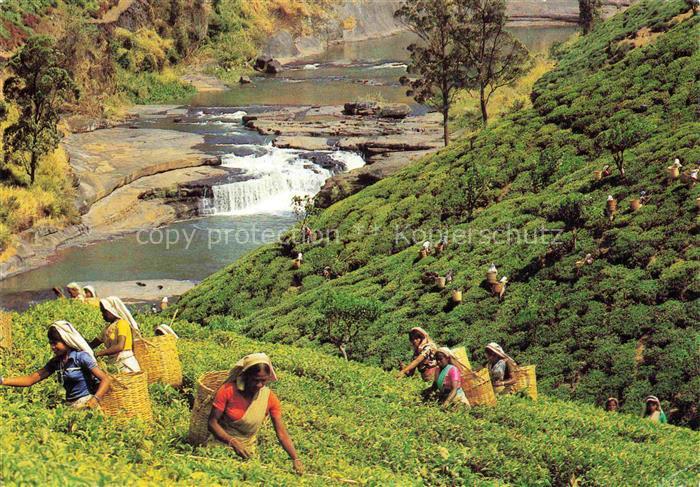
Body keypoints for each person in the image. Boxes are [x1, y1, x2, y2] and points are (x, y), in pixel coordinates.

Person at [208, 353, 303, 475]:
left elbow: (281, 434)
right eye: (255, 380)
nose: (259, 385)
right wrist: (233, 442)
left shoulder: (269, 398)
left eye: (263, 381)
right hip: (219, 447)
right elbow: (212, 423)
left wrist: (295, 458)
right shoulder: (228, 390)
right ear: (246, 376)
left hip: (247, 451)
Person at [0, 321, 111, 409]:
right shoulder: (56, 362)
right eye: (50, 343)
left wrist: (95, 399)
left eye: (55, 343)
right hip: (70, 406)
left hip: (86, 404)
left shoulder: (81, 357)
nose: (52, 347)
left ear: (66, 341)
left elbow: (105, 380)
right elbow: (30, 379)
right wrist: (3, 381)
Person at [89, 297, 141, 373]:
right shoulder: (107, 329)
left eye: (105, 312)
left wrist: (99, 353)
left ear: (112, 310)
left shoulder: (122, 324)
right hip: (114, 365)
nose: (103, 315)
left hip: (126, 365)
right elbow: (93, 344)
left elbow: (120, 346)